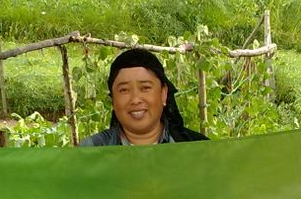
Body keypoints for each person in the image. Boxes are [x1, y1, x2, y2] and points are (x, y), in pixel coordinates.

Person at [78, 47, 208, 146]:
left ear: (164, 94)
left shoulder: (198, 148)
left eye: (145, 88)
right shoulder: (90, 153)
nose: (135, 99)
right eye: (124, 90)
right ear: (113, 100)